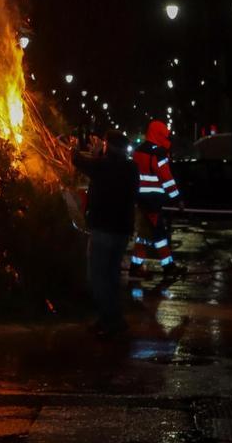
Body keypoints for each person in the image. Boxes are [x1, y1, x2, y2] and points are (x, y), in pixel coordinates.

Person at [70, 129, 138, 338]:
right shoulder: (131, 168)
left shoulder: (103, 166)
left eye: (105, 144)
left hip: (104, 230)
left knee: (97, 278)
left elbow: (78, 161)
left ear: (110, 147)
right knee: (111, 276)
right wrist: (100, 153)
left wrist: (74, 147)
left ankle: (110, 322)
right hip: (121, 231)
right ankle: (110, 319)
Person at [130, 120, 185, 280]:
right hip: (154, 200)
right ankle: (164, 267)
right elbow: (166, 178)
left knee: (148, 234)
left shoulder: (138, 151)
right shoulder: (158, 153)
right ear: (160, 135)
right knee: (155, 234)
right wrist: (177, 199)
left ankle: (141, 267)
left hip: (141, 199)